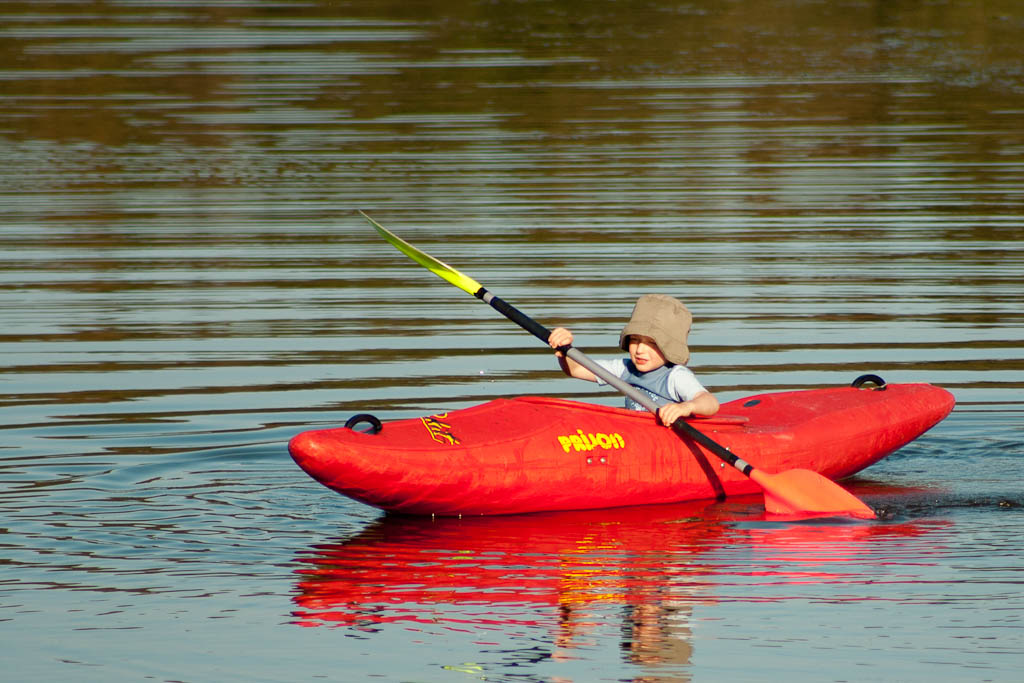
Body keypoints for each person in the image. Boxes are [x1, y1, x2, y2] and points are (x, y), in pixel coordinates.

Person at [548, 294, 719, 425]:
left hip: (668, 439)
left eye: (652, 343)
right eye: (635, 340)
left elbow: (710, 403)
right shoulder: (625, 368)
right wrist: (565, 350)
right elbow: (577, 369)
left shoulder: (675, 376)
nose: (640, 350)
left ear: (669, 347)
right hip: (637, 435)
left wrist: (685, 407)